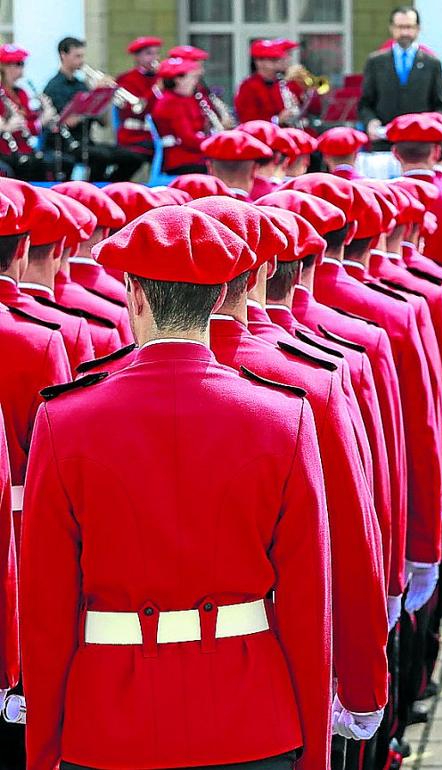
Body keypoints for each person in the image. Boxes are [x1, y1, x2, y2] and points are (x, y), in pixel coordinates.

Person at [20, 205, 334, 770]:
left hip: (110, 727)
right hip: (250, 721)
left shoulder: (65, 420)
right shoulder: (282, 417)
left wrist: (43, 751)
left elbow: (46, 612)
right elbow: (309, 606)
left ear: (134, 295)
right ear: (222, 297)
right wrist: (315, 752)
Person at [41, 37, 144, 182]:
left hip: (87, 142)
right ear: (63, 55)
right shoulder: (54, 87)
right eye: (77, 56)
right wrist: (94, 94)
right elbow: (68, 122)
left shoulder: (81, 85)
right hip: (66, 144)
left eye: (82, 56)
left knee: (134, 158)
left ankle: (109, 186)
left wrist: (106, 97)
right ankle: (94, 188)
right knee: (101, 157)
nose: (81, 61)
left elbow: (104, 123)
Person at [360, 7, 442, 145]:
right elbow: (365, 103)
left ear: (418, 29)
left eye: (409, 27)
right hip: (384, 142)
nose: (404, 32)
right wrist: (371, 122)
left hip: (420, 144)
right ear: (391, 28)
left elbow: (440, 105)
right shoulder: (375, 62)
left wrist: (431, 123)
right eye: (400, 27)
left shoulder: (432, 64)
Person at [150, 57, 210, 176]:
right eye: (192, 77)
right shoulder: (171, 102)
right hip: (181, 160)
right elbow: (188, 139)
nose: (195, 82)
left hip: (190, 155)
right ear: (178, 80)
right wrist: (214, 144)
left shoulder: (181, 99)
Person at [0, 46, 49, 181]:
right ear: (4, 67)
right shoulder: (2, 94)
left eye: (22, 64)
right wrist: (7, 127)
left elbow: (30, 125)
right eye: (18, 64)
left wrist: (43, 119)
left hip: (23, 148)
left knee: (44, 163)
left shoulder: (21, 93)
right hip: (4, 150)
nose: (22, 68)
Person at [234, 39, 304, 126]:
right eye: (273, 59)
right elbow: (248, 121)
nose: (279, 62)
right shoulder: (248, 86)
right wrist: (277, 120)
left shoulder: (282, 83)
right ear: (259, 62)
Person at [114, 36, 161, 161]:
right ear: (137, 57)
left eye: (157, 53)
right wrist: (156, 89)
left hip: (159, 134)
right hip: (134, 136)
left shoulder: (161, 78)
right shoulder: (126, 79)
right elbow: (135, 110)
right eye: (149, 54)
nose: (155, 58)